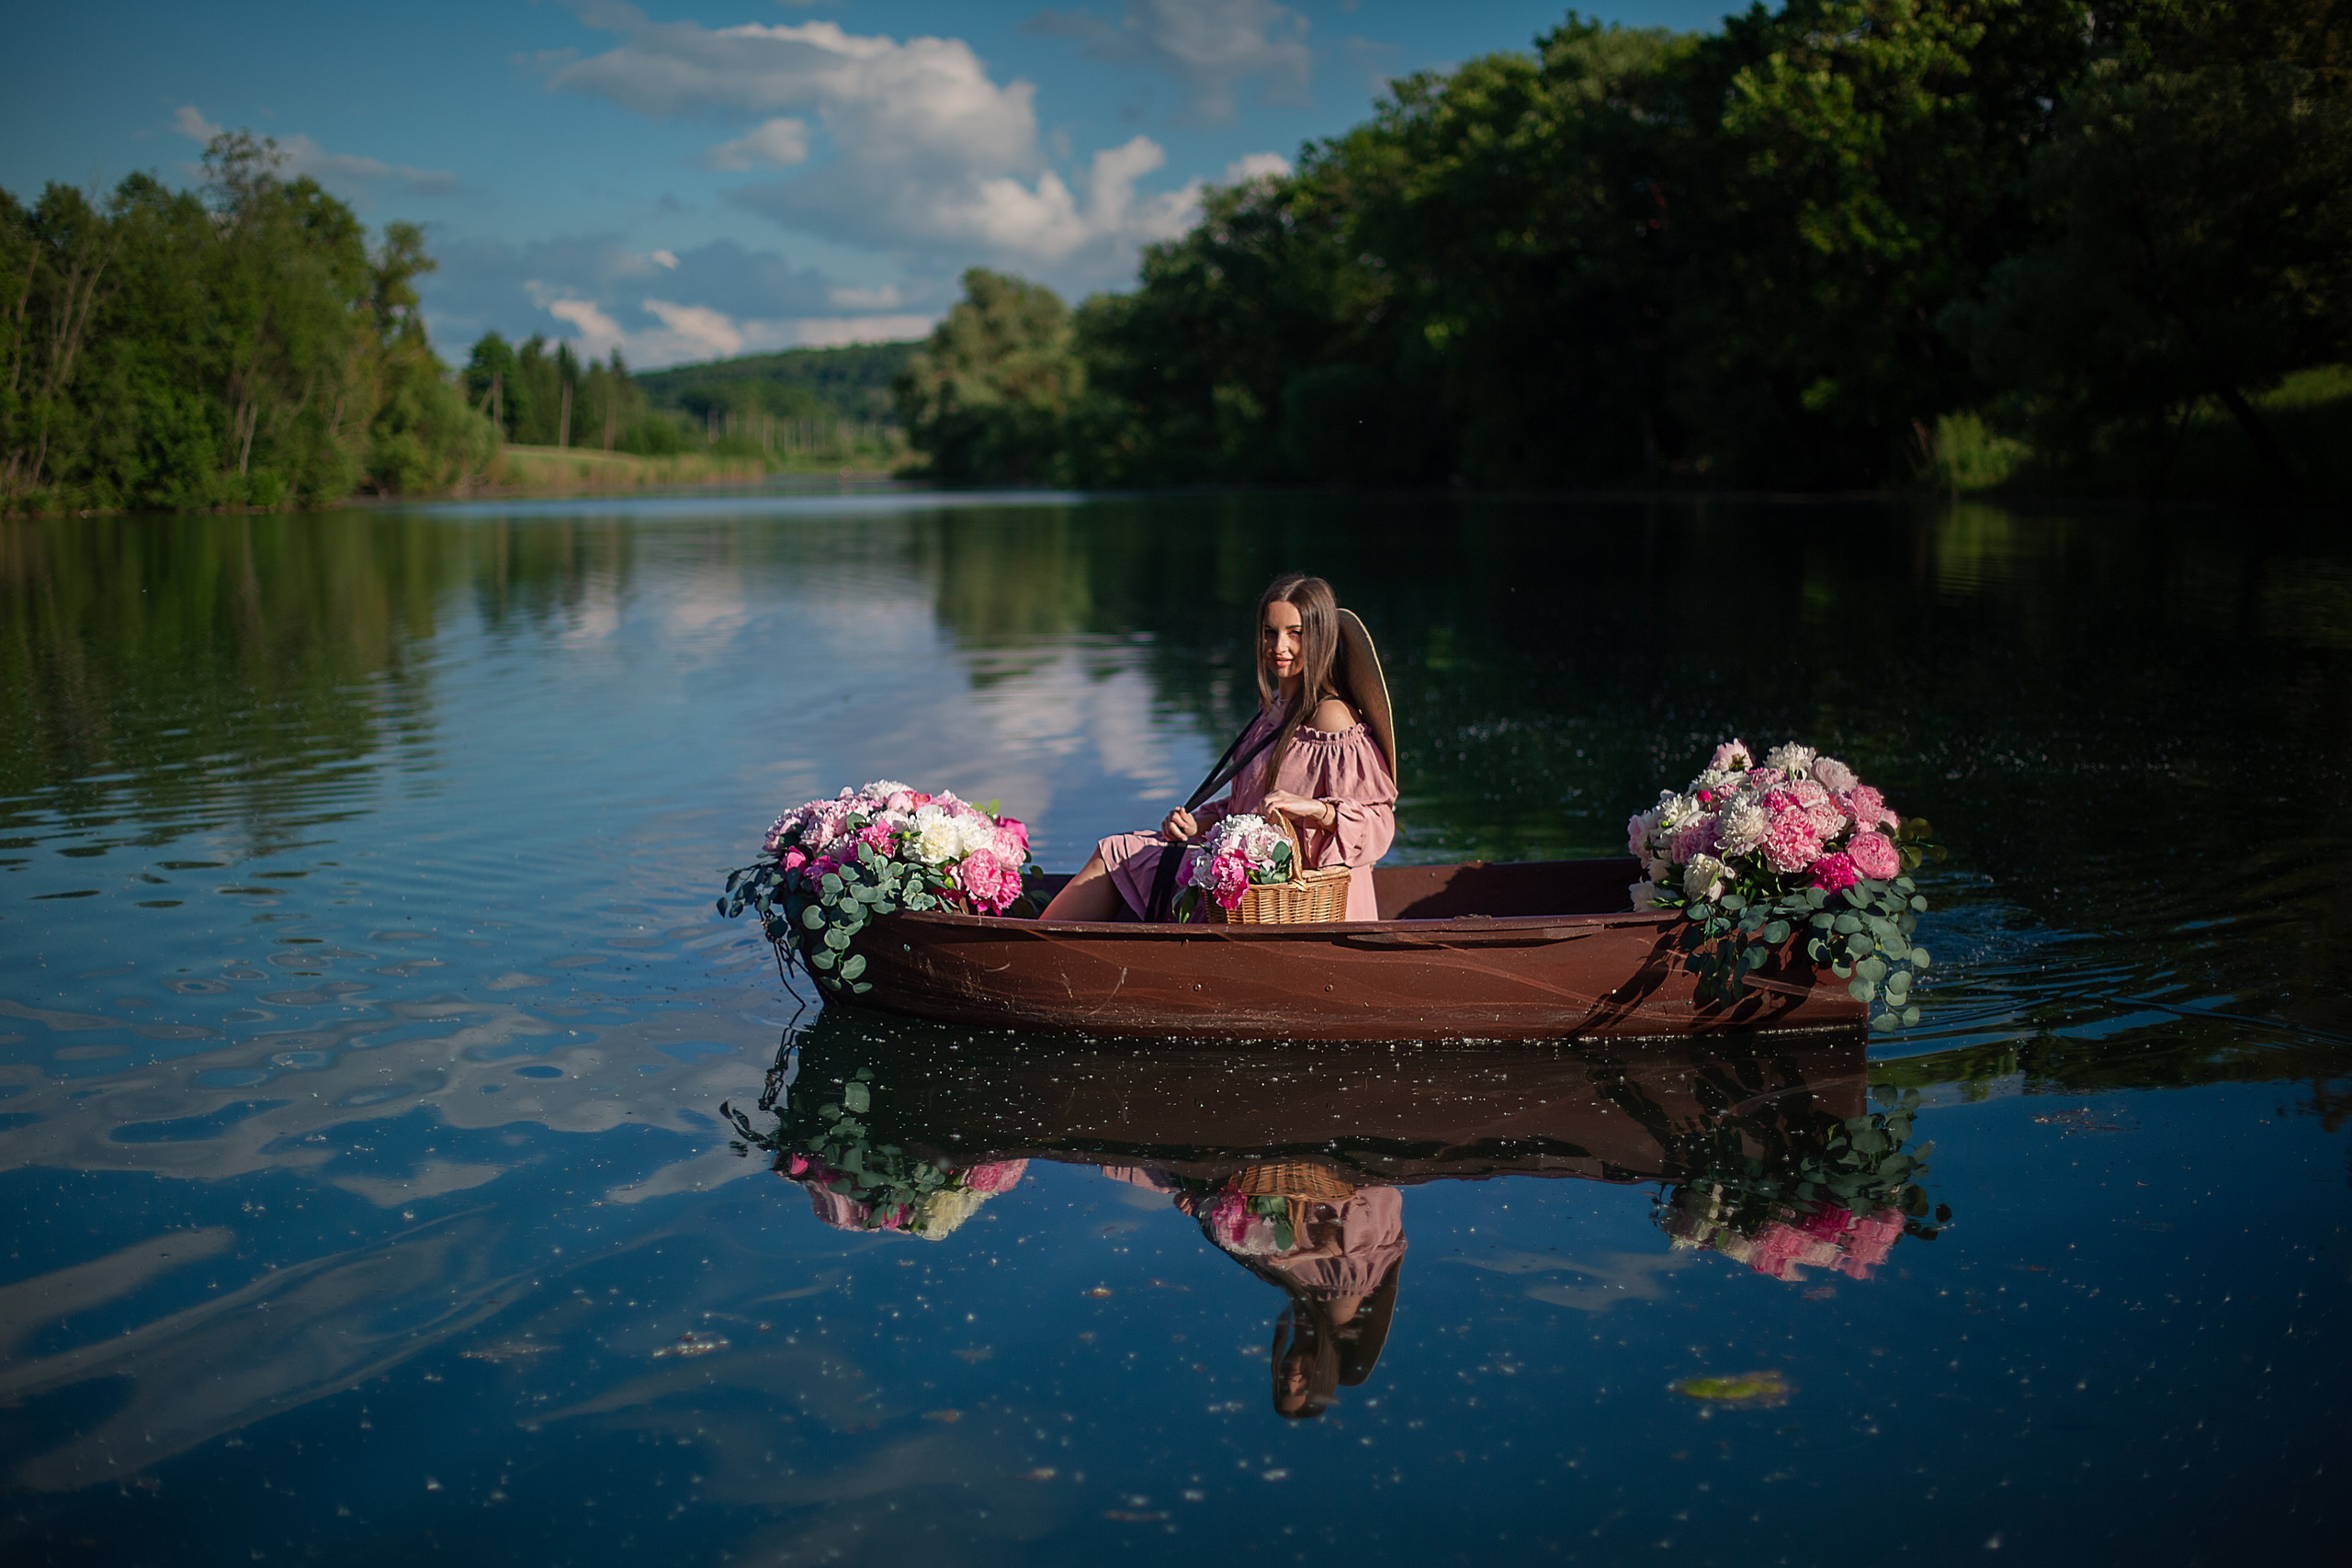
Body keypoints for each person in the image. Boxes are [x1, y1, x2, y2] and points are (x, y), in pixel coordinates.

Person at [1040, 573, 1398, 922]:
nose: (1279, 647)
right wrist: (1195, 824)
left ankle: (1029, 949)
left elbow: (1379, 823)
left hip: (1301, 902)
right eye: (1270, 633)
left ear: (1319, 638)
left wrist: (1313, 808)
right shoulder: (1270, 711)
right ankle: (1034, 944)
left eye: (1295, 634)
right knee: (1118, 853)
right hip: (1250, 891)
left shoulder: (1332, 718)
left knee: (1116, 855)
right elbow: (1245, 808)